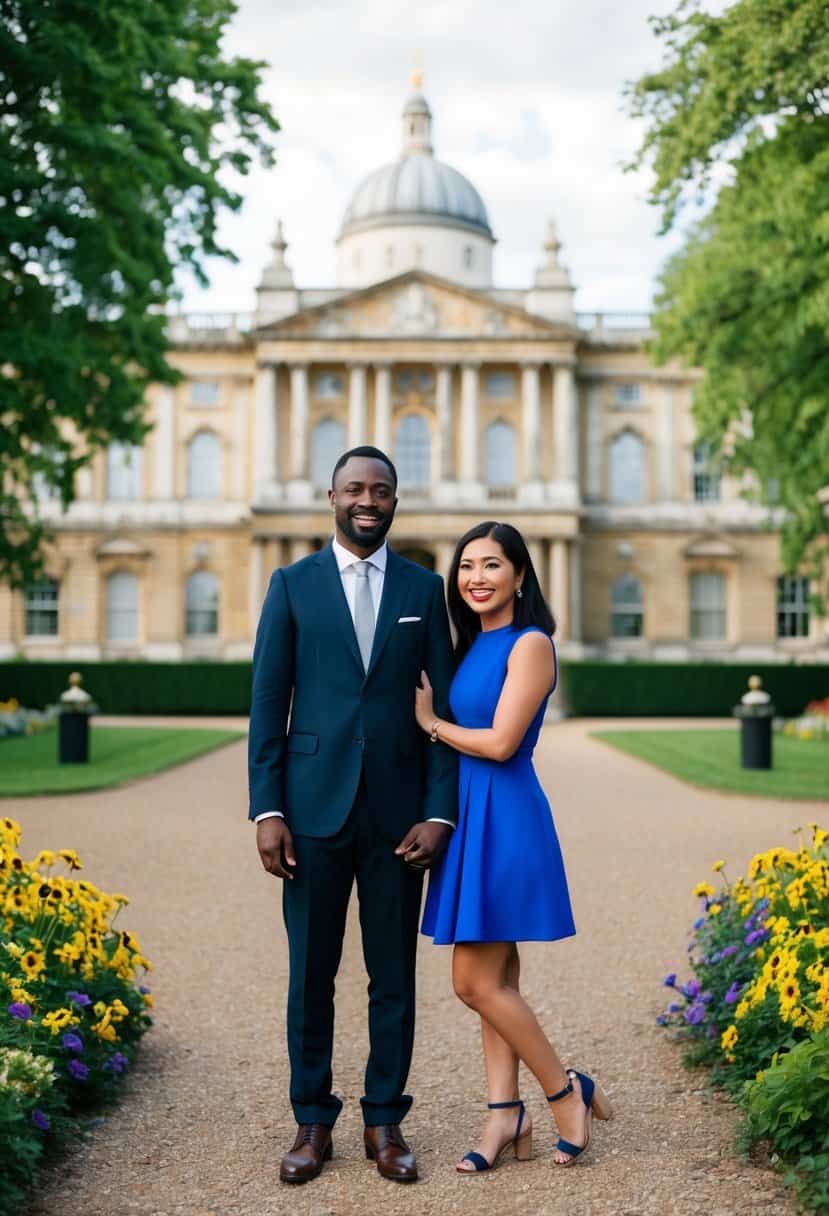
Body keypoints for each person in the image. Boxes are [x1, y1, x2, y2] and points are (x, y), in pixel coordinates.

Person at [248, 446, 457, 1186]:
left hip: (399, 817)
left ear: (396, 501)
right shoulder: (292, 584)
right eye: (355, 489)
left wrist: (440, 813)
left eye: (382, 490)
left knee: (392, 973)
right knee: (311, 973)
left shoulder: (424, 588)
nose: (368, 500)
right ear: (330, 496)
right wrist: (267, 808)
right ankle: (311, 1120)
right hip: (310, 810)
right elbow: (269, 702)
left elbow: (440, 708)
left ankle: (384, 1122)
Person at [417, 521, 612, 1172]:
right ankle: (504, 1116)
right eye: (466, 565)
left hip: (504, 815)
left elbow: (501, 742)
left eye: (491, 565)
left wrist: (432, 725)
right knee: (495, 980)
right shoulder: (471, 643)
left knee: (471, 982)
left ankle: (564, 1092)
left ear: (520, 575)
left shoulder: (530, 643)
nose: (476, 576)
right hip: (470, 815)